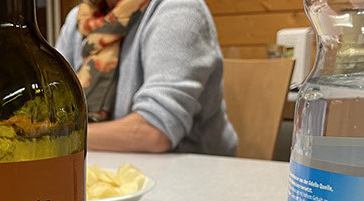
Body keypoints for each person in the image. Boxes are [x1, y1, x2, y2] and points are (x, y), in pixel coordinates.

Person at [56, 0, 237, 156]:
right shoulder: (80, 19)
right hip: (109, 163)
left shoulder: (178, 8)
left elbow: (156, 131)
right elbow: (54, 105)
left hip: (191, 170)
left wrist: (57, 136)